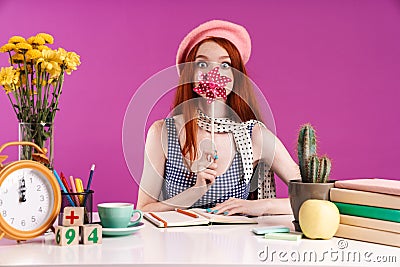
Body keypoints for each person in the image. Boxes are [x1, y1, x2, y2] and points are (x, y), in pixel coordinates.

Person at [137, 20, 301, 216]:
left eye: (225, 65)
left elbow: (313, 197)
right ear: (190, 73)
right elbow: (144, 209)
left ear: (236, 75)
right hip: (174, 244)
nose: (213, 74)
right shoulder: (162, 132)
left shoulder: (254, 136)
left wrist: (261, 206)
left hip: (235, 244)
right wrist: (194, 193)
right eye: (202, 63)